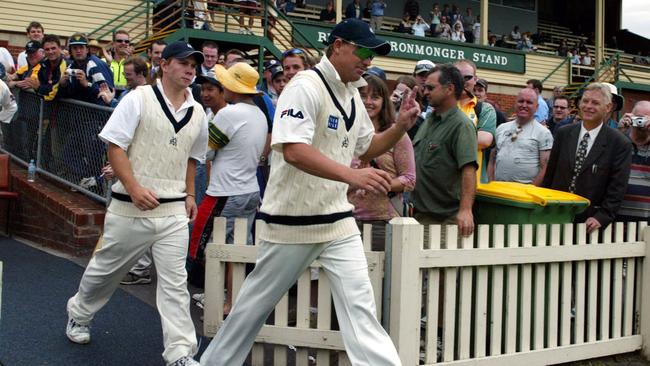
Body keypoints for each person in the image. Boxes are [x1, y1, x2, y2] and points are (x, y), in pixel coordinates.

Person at [200, 18, 419, 366]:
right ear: (337, 46)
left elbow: (368, 147)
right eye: (363, 50)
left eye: (373, 54)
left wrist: (401, 126)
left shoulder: (351, 93)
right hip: (292, 220)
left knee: (361, 307)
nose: (368, 59)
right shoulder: (306, 85)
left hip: (337, 220)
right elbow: (293, 150)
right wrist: (352, 176)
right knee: (252, 309)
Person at [65, 41, 208, 366]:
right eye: (184, 63)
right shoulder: (138, 99)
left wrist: (189, 195)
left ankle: (180, 353)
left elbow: (192, 159)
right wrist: (133, 186)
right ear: (166, 64)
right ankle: (78, 312)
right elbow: (115, 146)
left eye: (194, 65)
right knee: (106, 271)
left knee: (175, 284)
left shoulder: (198, 112)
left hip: (172, 211)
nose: (190, 70)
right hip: (130, 208)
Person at [188, 64, 266, 309]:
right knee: (238, 252)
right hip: (249, 189)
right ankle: (231, 301)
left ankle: (223, 302)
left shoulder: (229, 114)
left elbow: (206, 152)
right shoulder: (259, 114)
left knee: (207, 247)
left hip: (226, 192)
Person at [542, 83, 633, 233]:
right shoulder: (563, 133)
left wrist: (602, 216)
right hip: (556, 215)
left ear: (608, 107)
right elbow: (550, 174)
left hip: (590, 223)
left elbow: (618, 186)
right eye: (585, 101)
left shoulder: (619, 143)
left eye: (595, 103)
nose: (588, 106)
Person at [348, 74, 416, 250]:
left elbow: (409, 179)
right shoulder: (344, 132)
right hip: (346, 220)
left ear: (384, 101)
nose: (368, 101)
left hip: (383, 222)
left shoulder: (397, 134)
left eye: (375, 97)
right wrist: (353, 178)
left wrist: (378, 183)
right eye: (363, 95)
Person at [412, 63, 477, 241]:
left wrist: (465, 210)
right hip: (420, 215)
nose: (425, 92)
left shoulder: (461, 125)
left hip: (445, 221)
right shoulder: (429, 120)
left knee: (436, 269)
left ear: (449, 89)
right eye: (425, 87)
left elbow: (469, 169)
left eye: (430, 88)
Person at [488, 88, 553, 185]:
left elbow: (545, 168)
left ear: (537, 107)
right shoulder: (501, 128)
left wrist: (531, 190)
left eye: (529, 102)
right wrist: (491, 183)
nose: (524, 105)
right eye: (521, 101)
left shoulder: (544, 133)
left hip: (525, 195)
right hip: (498, 191)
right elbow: (492, 160)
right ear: (515, 103)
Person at [455, 59, 496, 183]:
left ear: (475, 79)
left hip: (474, 184)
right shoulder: (441, 107)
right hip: (442, 186)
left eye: (467, 77)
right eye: (457, 76)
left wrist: (445, 139)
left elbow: (484, 140)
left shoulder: (485, 109)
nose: (463, 81)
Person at [616, 101, 650, 222]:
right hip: (615, 219)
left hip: (646, 224)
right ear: (630, 117)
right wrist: (619, 131)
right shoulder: (619, 141)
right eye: (639, 117)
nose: (642, 123)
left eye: (647, 119)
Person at [58, 33, 114, 104]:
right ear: (70, 51)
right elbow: (69, 94)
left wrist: (87, 84)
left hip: (98, 112)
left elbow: (108, 93)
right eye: (75, 48)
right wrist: (63, 85)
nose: (78, 51)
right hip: (78, 112)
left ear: (87, 50)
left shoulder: (96, 65)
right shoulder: (70, 67)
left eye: (81, 47)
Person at [37, 34, 67, 101]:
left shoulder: (66, 64)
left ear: (60, 48)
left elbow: (56, 92)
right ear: (44, 51)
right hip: (46, 107)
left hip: (65, 108)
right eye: (47, 49)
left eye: (53, 48)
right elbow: (42, 83)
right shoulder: (43, 65)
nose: (50, 52)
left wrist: (39, 88)